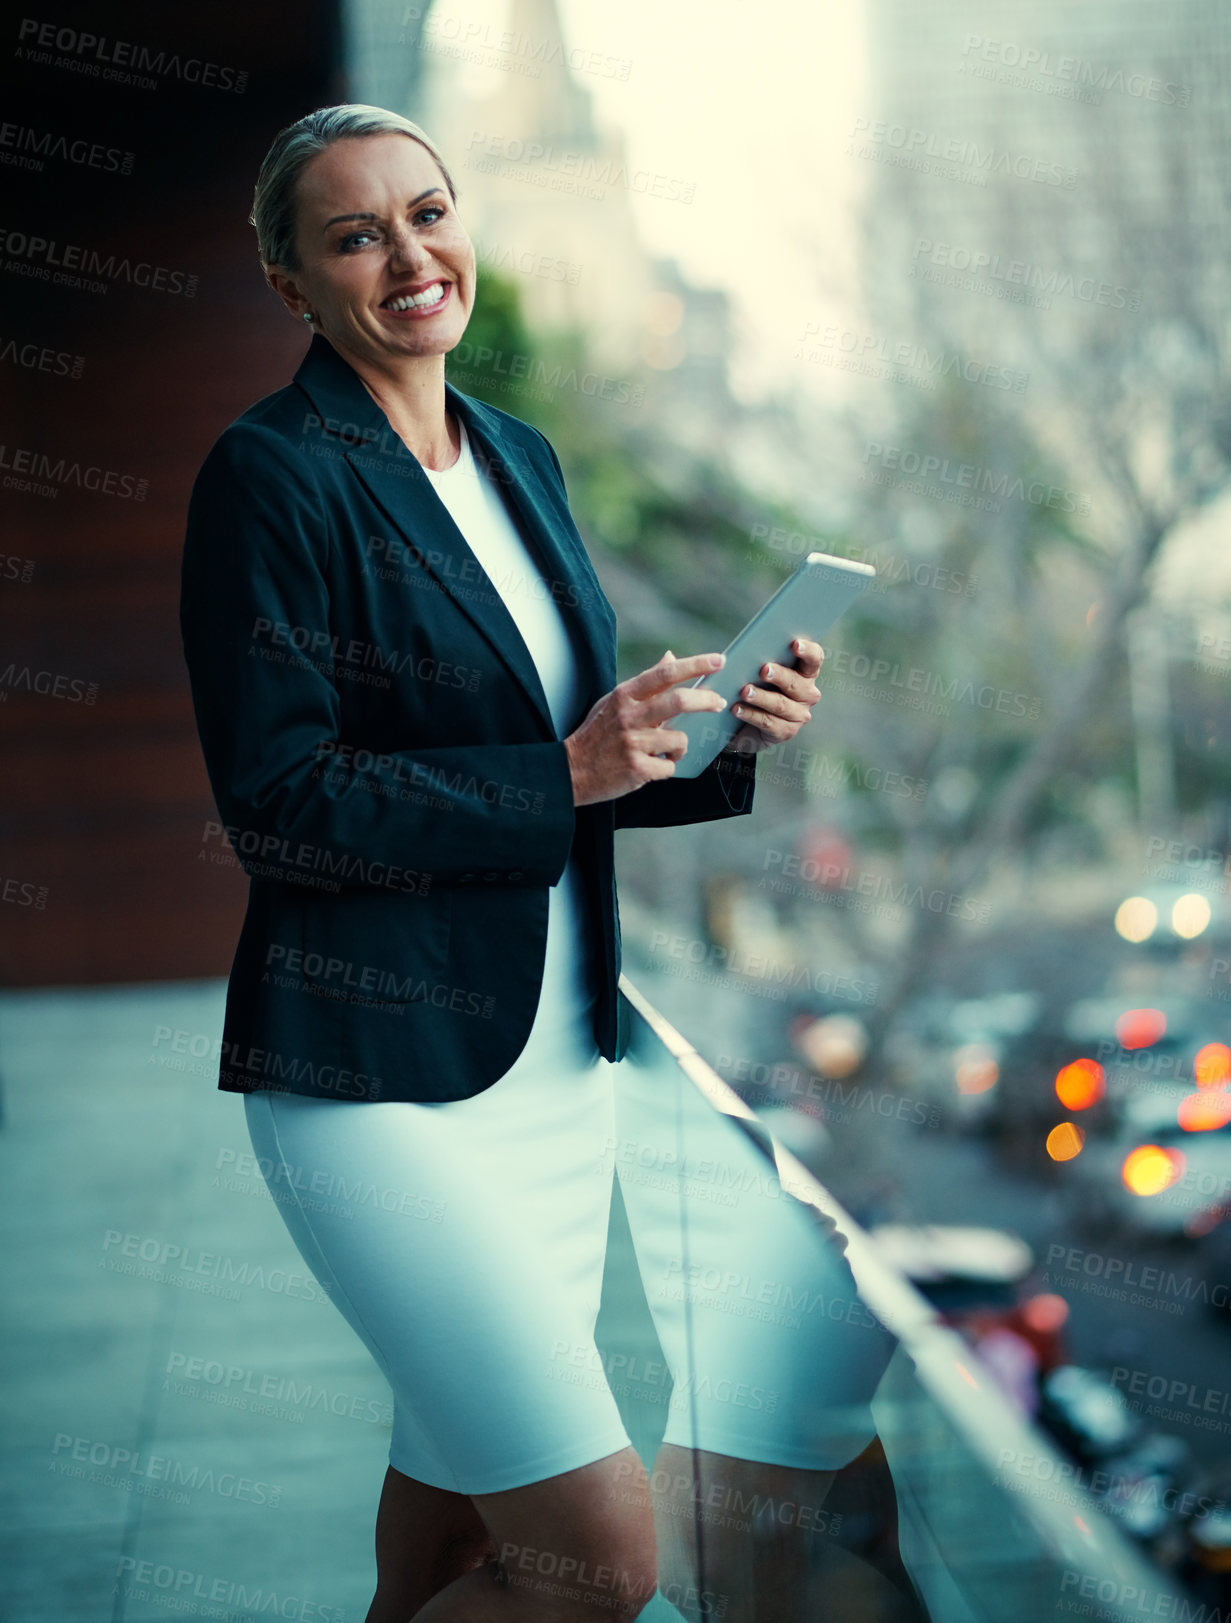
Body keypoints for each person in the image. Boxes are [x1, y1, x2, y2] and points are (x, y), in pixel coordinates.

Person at [180, 104, 892, 1623]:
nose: (410, 254)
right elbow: (280, 800)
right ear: (293, 284)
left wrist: (713, 738)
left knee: (449, 1542)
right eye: (355, 233)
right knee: (600, 1564)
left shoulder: (520, 456)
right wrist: (562, 769)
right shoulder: (273, 477)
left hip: (556, 1081)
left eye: (428, 213)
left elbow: (566, 766)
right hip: (377, 1087)